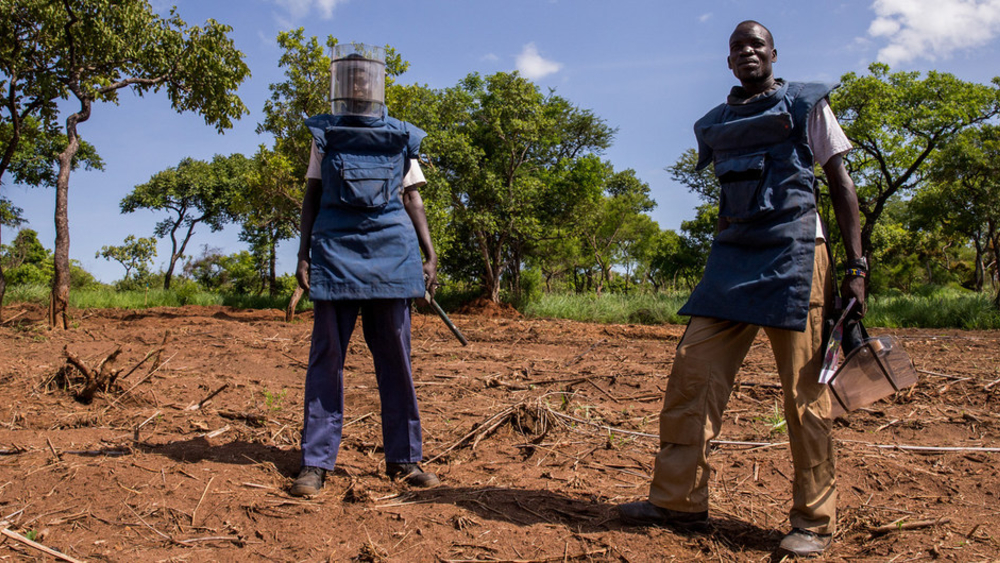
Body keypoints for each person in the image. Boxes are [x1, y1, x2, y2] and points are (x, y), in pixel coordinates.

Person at [617, 21, 866, 558]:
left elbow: (842, 186)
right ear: (728, 61)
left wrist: (857, 268)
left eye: (757, 44)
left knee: (804, 392)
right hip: (733, 258)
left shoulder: (806, 106)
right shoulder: (717, 123)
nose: (747, 51)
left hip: (796, 252)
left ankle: (814, 520)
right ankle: (678, 501)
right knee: (693, 369)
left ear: (774, 53)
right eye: (737, 47)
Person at [289, 44, 440, 497]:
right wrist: (302, 254)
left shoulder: (398, 137)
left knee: (396, 360)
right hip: (334, 253)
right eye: (349, 79)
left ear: (375, 85)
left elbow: (413, 199)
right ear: (340, 85)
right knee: (326, 359)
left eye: (364, 79)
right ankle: (315, 463)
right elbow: (312, 197)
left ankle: (404, 460)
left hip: (392, 257)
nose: (357, 86)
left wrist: (429, 255)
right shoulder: (326, 136)